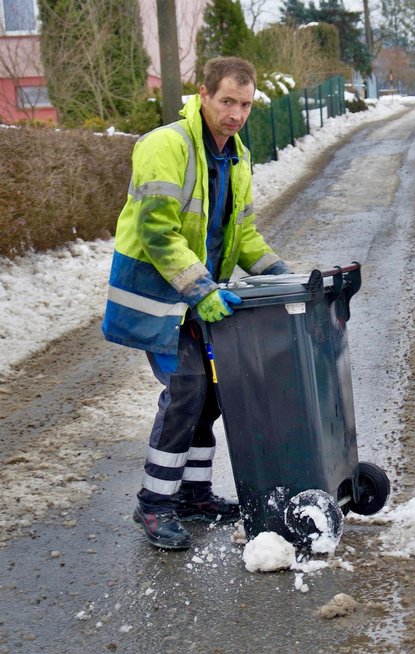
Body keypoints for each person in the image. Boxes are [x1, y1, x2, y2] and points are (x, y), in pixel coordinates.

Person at [102, 56, 291, 549]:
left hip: (198, 297)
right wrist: (202, 290)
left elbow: (242, 234)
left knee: (210, 395)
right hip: (159, 298)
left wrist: (284, 278)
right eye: (228, 101)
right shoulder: (165, 145)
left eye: (246, 104)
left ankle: (194, 494)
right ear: (203, 94)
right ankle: (154, 504)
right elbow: (158, 232)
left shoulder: (237, 155)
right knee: (185, 390)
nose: (236, 114)